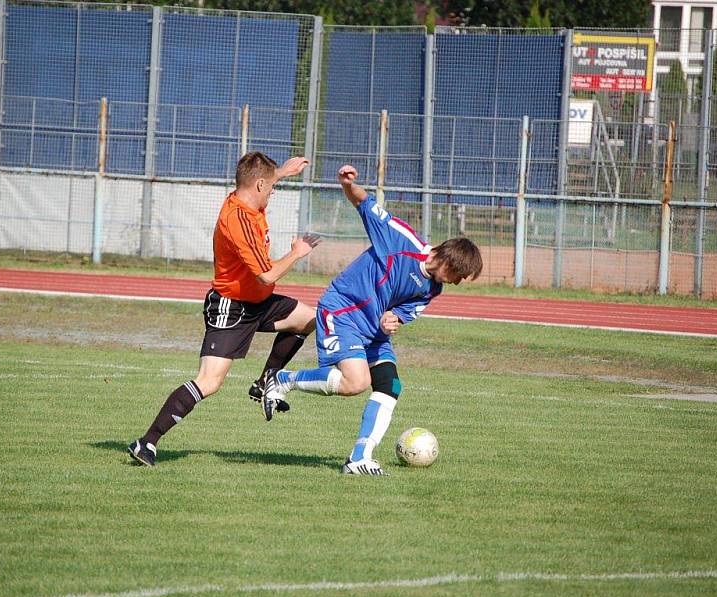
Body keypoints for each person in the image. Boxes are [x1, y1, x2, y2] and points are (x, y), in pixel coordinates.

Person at [262, 164, 483, 476]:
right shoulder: (401, 240)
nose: (457, 283)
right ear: (448, 261)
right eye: (458, 275)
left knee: (390, 385)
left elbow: (404, 312)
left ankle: (360, 457)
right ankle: (282, 380)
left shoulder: (434, 287)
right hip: (343, 311)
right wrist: (348, 184)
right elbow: (364, 203)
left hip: (372, 331)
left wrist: (393, 319)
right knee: (356, 383)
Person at [128, 151, 320, 466]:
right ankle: (146, 443)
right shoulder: (238, 220)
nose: (272, 192)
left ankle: (265, 382)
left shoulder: (248, 196)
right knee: (209, 381)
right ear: (259, 185)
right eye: (270, 188)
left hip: (259, 301)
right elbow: (267, 274)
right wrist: (297, 253)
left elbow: (258, 181)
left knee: (307, 319)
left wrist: (282, 172)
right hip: (232, 307)